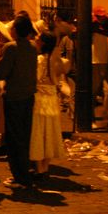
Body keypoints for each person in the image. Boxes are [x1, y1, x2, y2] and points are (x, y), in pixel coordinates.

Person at [0, 14, 38, 189]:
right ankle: (25, 172)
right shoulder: (32, 47)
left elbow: (0, 73)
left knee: (14, 138)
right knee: (25, 135)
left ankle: (20, 176)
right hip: (28, 96)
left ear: (15, 30)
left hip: (14, 96)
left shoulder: (11, 48)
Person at [30, 31, 66, 180]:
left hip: (40, 99)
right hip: (52, 99)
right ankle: (45, 167)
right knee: (51, 132)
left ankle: (39, 168)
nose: (35, 40)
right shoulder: (56, 60)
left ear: (43, 43)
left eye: (38, 39)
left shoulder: (40, 59)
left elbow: (36, 78)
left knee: (39, 132)